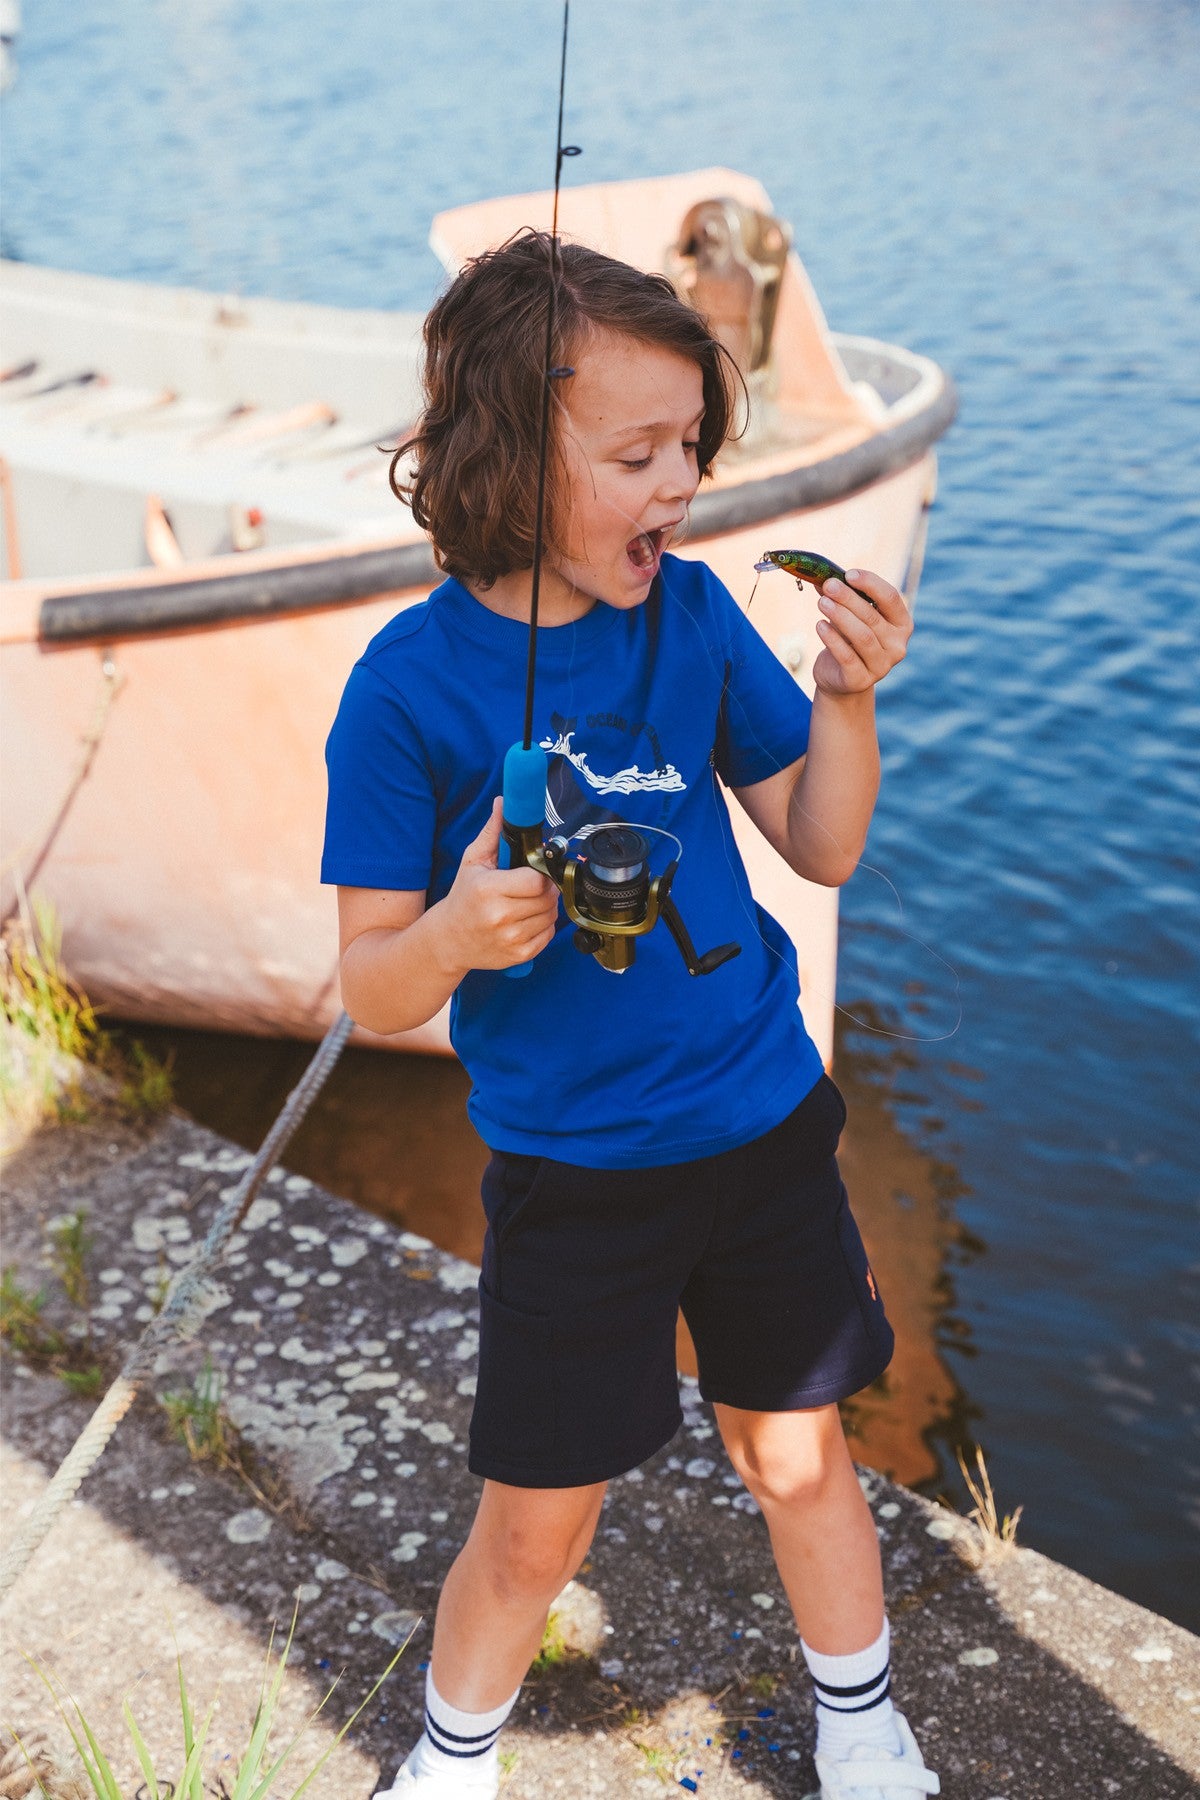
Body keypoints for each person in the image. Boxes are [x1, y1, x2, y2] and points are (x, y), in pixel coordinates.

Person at [321, 231, 940, 1800]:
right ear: (505, 457)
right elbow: (376, 979)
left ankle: (862, 1726)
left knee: (797, 1451)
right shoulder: (403, 693)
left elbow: (822, 840)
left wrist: (850, 699)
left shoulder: (693, 619)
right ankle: (454, 1758)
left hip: (762, 1128)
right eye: (639, 454)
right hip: (575, 1176)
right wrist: (460, 929)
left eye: (693, 449)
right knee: (538, 1520)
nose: (683, 487)